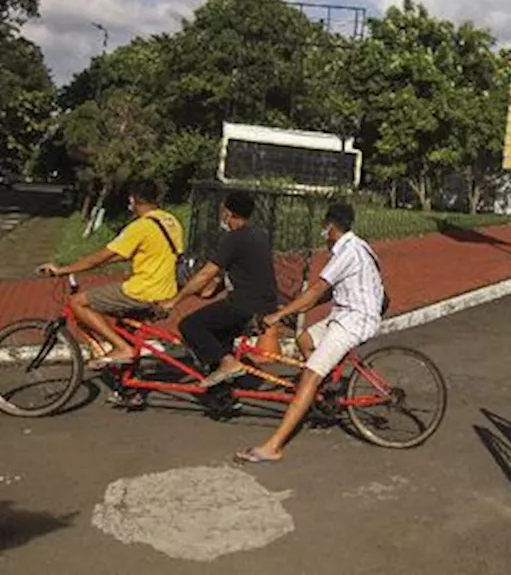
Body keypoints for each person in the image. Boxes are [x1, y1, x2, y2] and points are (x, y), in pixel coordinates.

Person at [235, 201, 385, 464]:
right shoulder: (357, 245)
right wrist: (295, 309)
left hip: (354, 320)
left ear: (330, 227)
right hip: (346, 314)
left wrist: (279, 315)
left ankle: (274, 446)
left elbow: (316, 290)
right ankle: (325, 392)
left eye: (324, 227)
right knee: (305, 339)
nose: (323, 233)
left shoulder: (347, 252)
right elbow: (324, 293)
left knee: (308, 378)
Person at [36, 180, 184, 369]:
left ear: (133, 200)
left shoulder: (140, 227)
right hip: (167, 290)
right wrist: (90, 264)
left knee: (78, 302)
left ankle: (122, 348)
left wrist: (63, 269)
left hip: (144, 290)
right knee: (118, 323)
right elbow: (129, 254)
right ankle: (127, 383)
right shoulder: (171, 221)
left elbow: (98, 258)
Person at [158, 191, 279, 386]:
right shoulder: (259, 236)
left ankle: (228, 363)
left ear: (229, 213)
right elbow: (241, 270)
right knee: (218, 337)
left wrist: (175, 300)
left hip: (243, 305)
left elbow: (207, 273)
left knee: (190, 325)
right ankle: (222, 393)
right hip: (264, 305)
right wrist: (210, 292)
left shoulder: (235, 238)